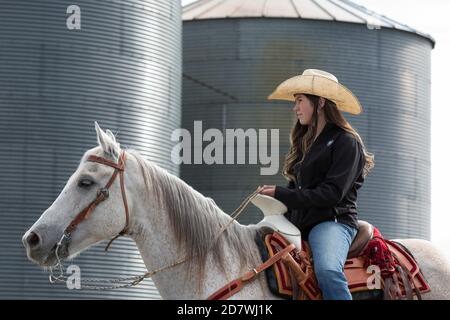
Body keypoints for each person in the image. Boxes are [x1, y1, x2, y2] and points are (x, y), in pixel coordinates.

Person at [258, 69, 374, 300]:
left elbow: (331, 194)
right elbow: (297, 190)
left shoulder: (346, 142)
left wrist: (282, 194)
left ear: (320, 102)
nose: (295, 107)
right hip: (299, 222)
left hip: (332, 222)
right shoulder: (306, 143)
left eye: (300, 100)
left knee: (328, 271)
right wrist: (274, 198)